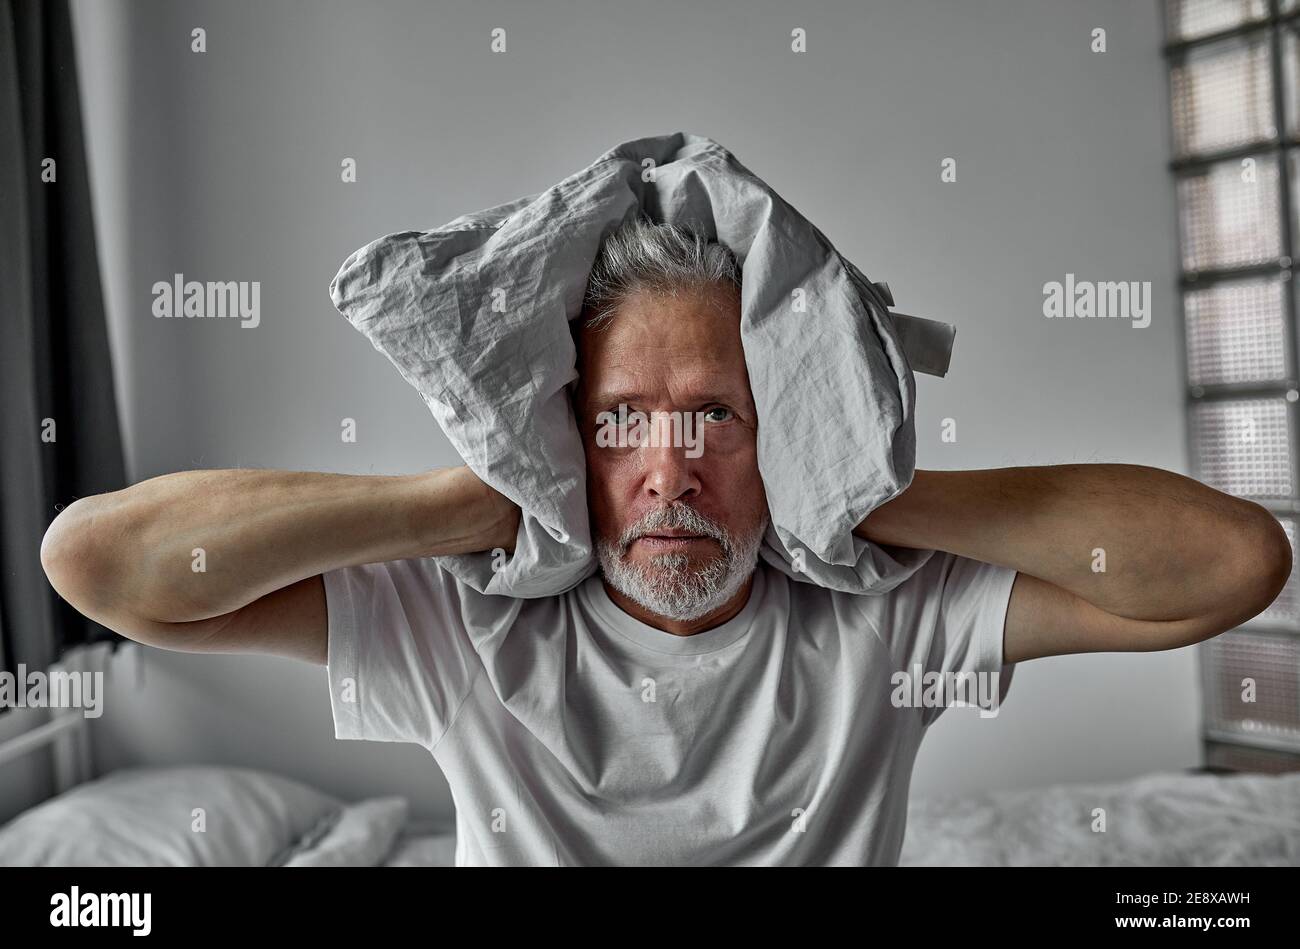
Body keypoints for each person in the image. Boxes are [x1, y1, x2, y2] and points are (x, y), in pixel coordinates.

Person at [40, 218, 1291, 866]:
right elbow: (95, 565)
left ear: (781, 436)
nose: (669, 465)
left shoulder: (888, 612)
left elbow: (1235, 564)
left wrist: (867, 486)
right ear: (561, 438)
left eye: (715, 416)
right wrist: (448, 504)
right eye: (622, 418)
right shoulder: (459, 623)